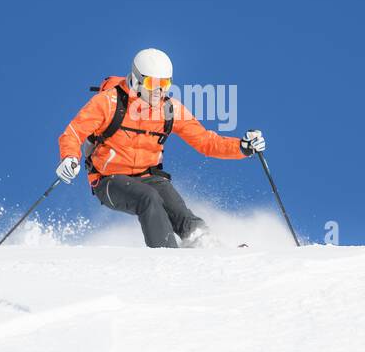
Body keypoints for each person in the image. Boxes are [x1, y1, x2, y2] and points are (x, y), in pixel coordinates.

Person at [56, 48, 266, 247]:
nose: (158, 90)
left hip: (149, 176)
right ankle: (168, 256)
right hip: (108, 180)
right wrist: (69, 158)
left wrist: (242, 147)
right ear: (137, 79)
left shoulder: (169, 109)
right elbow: (74, 133)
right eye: (151, 83)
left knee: (179, 211)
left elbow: (206, 141)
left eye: (164, 84)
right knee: (149, 199)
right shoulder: (108, 103)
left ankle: (204, 246)